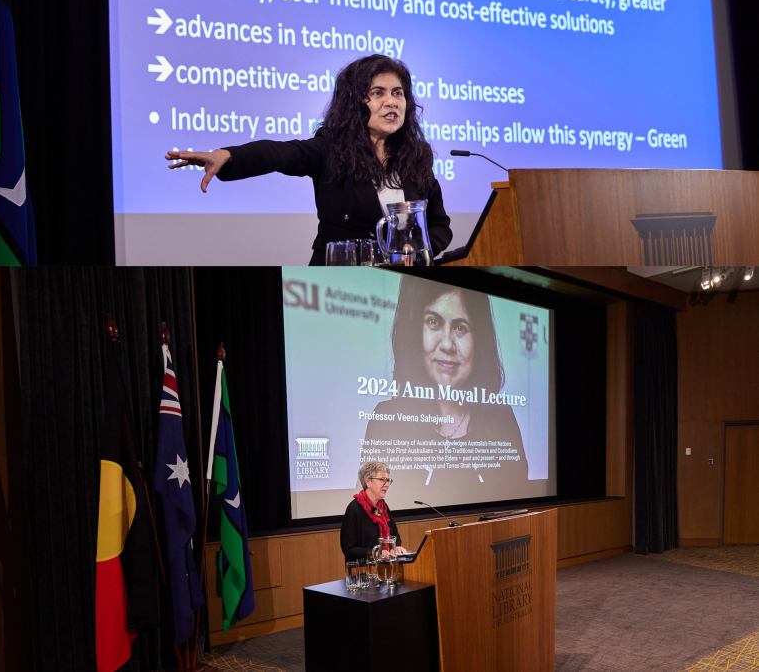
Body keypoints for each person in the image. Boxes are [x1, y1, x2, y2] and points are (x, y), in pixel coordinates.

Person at [165, 55, 452, 264]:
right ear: (354, 104)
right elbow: (281, 153)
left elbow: (439, 226)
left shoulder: (416, 156)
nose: (392, 102)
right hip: (342, 275)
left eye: (397, 93)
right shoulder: (331, 148)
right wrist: (227, 156)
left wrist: (417, 248)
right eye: (378, 93)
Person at [364, 279, 529, 507]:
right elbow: (371, 510)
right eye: (433, 322)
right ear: (413, 332)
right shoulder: (385, 420)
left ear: (479, 340)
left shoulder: (502, 419)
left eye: (461, 328)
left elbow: (519, 506)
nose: (448, 345)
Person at [340, 461, 408, 561]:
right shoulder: (354, 509)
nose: (387, 484)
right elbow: (348, 548)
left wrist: (396, 547)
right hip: (363, 570)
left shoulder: (383, 507)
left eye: (388, 480)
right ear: (368, 482)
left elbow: (395, 534)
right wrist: (376, 552)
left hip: (386, 567)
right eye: (382, 480)